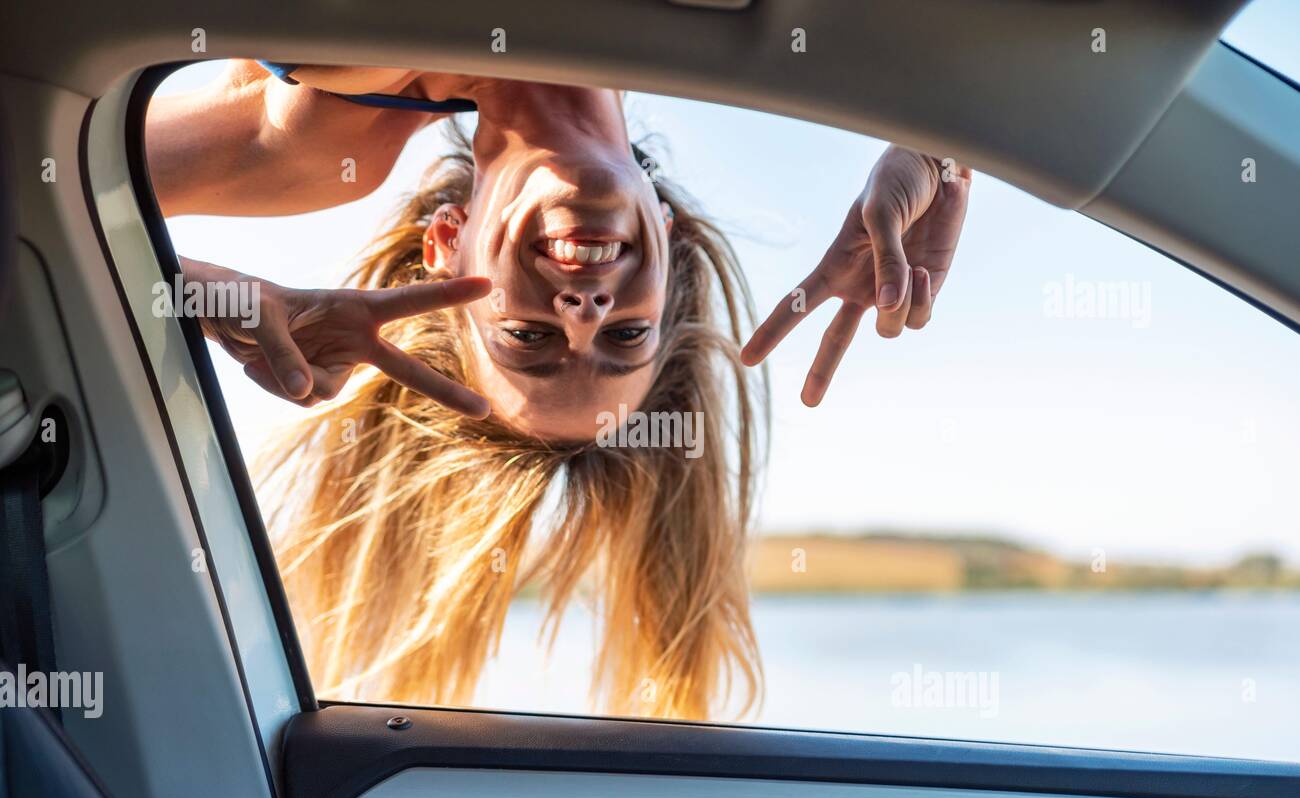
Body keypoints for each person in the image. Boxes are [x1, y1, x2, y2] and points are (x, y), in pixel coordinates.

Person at [147, 61, 971, 719]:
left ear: (446, 246)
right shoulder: (733, 47)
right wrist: (940, 135)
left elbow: (35, 175)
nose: (582, 312)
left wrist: (197, 286)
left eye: (527, 340)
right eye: (625, 337)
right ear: (669, 240)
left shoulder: (308, 144)